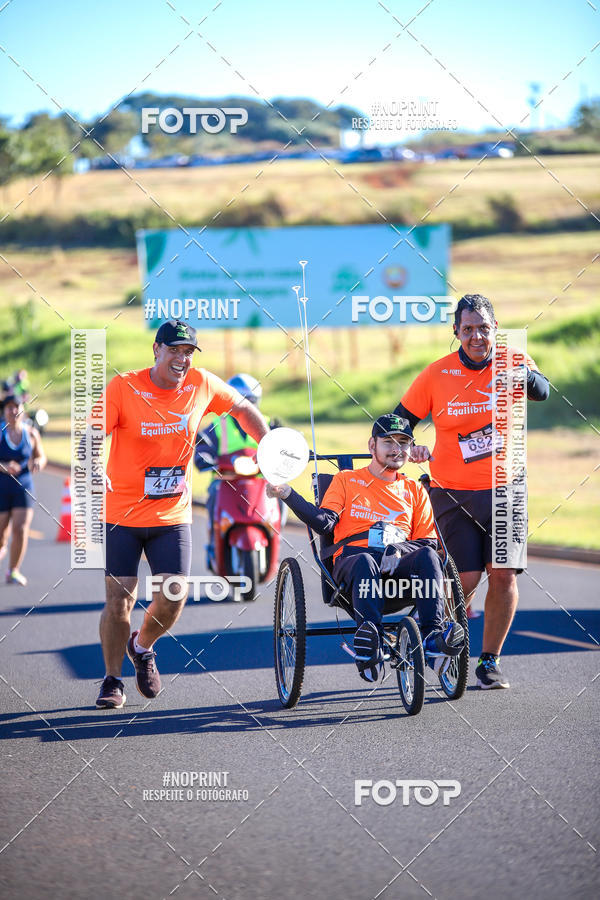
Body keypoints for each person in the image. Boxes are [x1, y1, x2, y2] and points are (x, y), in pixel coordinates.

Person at [95, 321, 269, 709]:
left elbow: (243, 409)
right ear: (156, 350)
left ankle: (141, 647)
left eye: (188, 352)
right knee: (119, 598)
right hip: (121, 511)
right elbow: (92, 432)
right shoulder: (124, 386)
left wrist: (269, 446)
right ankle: (111, 680)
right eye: (174, 350)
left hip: (171, 514)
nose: (182, 358)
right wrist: (93, 466)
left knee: (173, 596)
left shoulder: (202, 383)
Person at [394, 293, 549, 690]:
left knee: (503, 577)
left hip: (506, 490)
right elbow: (400, 419)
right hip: (452, 493)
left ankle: (489, 660)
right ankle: (445, 638)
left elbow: (543, 392)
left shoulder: (514, 359)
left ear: (494, 328)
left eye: (483, 328)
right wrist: (408, 446)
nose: (476, 336)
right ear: (456, 332)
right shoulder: (436, 374)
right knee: (464, 580)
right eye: (468, 330)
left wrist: (525, 375)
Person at [267, 414, 464, 683]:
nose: (397, 449)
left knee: (430, 556)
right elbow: (324, 524)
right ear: (372, 445)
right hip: (354, 567)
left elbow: (428, 542)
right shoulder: (346, 480)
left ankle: (433, 640)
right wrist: (288, 494)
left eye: (404, 443)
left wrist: (398, 550)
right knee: (364, 561)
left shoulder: (414, 490)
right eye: (389, 442)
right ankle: (370, 642)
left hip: (399, 574)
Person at [195, 373, 285, 566]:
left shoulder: (268, 424)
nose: (246, 407)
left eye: (251, 401)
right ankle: (213, 542)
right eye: (242, 401)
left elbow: (283, 444)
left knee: (283, 497)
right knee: (212, 497)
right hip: (225, 482)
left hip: (262, 481)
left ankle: (277, 537)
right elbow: (202, 444)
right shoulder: (218, 425)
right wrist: (205, 458)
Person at [0, 394, 46, 585]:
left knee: (20, 529)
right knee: (1, 535)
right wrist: (4, 466)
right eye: (9, 407)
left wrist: (37, 462)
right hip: (2, 488)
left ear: (22, 409)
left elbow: (42, 457)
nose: (13, 411)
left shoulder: (31, 433)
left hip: (24, 487)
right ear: (4, 411)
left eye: (16, 406)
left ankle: (13, 571)